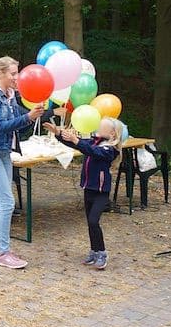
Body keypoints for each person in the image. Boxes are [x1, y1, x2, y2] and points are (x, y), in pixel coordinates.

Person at [0, 57, 45, 269]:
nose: (17, 78)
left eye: (18, 73)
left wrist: (36, 115)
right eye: (13, 74)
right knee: (7, 202)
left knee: (1, 200)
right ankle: (3, 253)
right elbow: (0, 126)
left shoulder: (10, 95)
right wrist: (28, 117)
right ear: (1, 74)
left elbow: (17, 125)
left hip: (4, 152)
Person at [45, 116, 125, 271]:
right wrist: (58, 133)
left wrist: (76, 141)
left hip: (101, 192)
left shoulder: (110, 149)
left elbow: (93, 152)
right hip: (89, 189)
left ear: (112, 133)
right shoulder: (94, 141)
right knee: (90, 222)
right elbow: (78, 145)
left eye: (102, 126)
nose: (98, 128)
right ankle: (94, 251)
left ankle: (102, 253)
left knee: (94, 221)